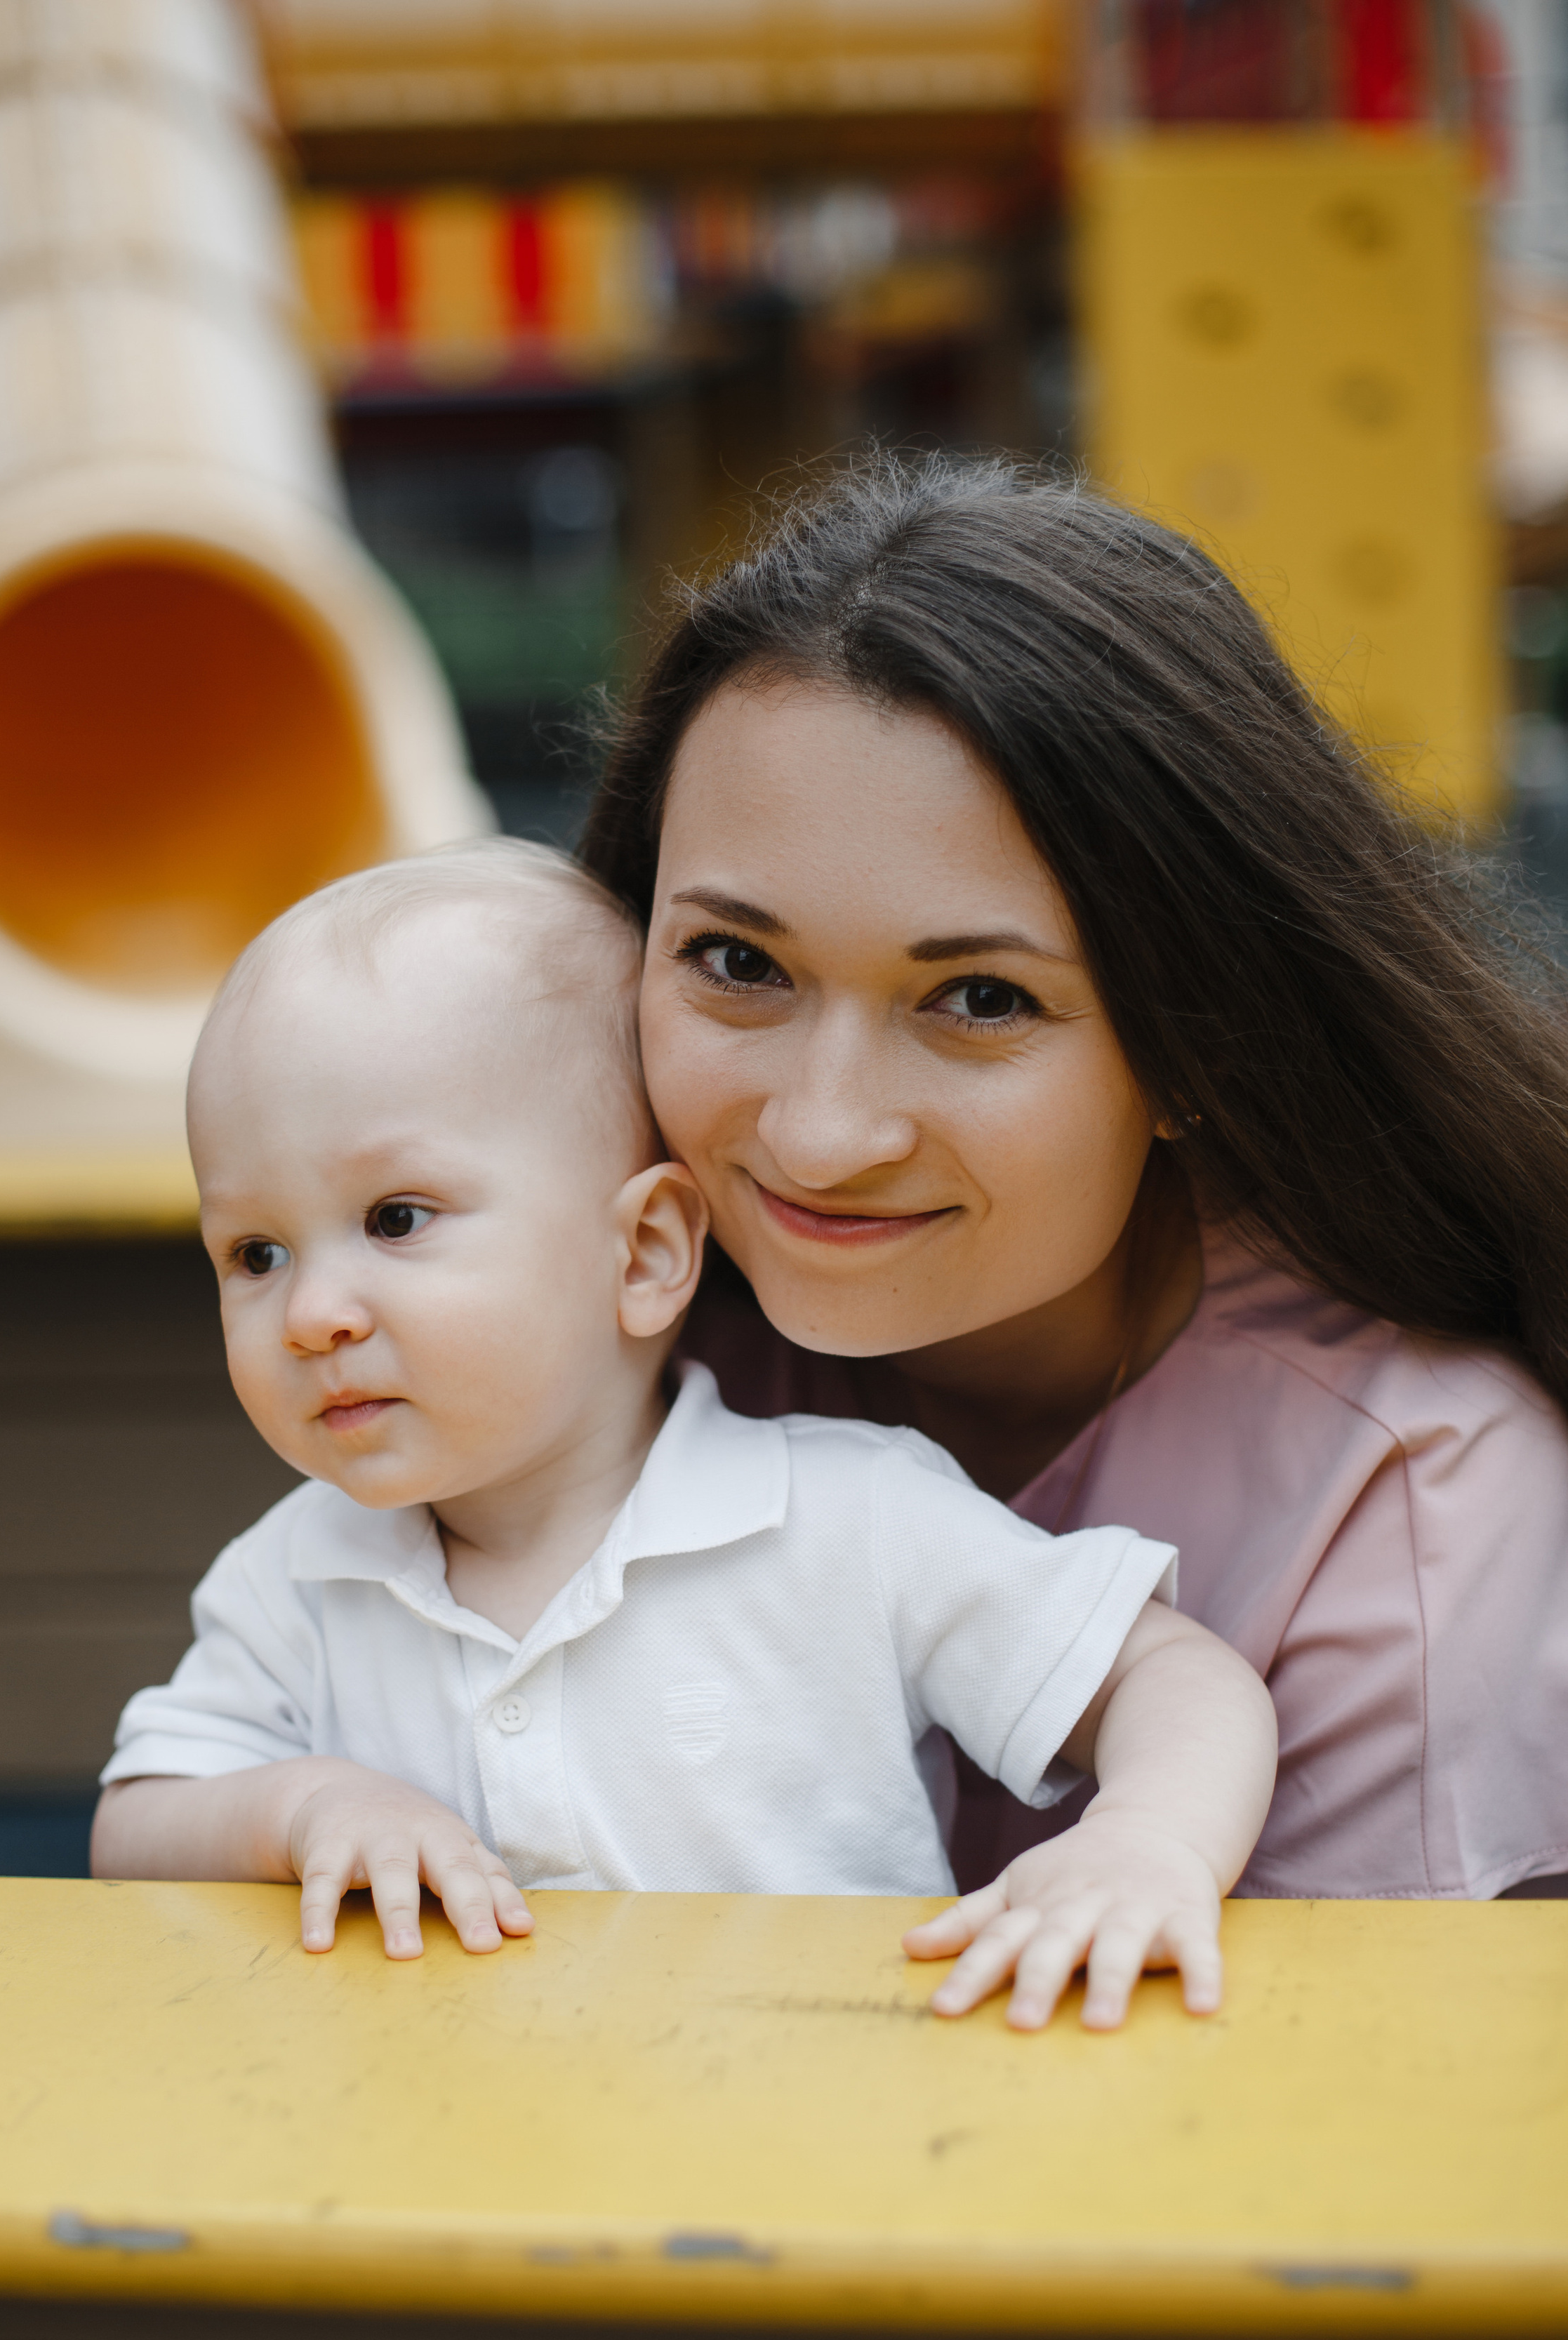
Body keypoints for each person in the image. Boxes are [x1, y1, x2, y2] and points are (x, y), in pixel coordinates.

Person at [580, 453, 1568, 1903]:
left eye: (977, 1000)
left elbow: (1321, 2110)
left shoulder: (1406, 1506)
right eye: (737, 965)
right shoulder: (587, 1327)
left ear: (1194, 1041)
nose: (817, 1136)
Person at [91, 842, 1277, 2029]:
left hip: (817, 2163)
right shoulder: (302, 1577)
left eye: (396, 1219)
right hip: (444, 2173)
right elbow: (131, 1826)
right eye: (255, 1252)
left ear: (646, 1252)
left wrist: (1145, 1843)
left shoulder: (845, 1522)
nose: (311, 1314)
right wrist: (305, 1810)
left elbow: (1175, 1678)